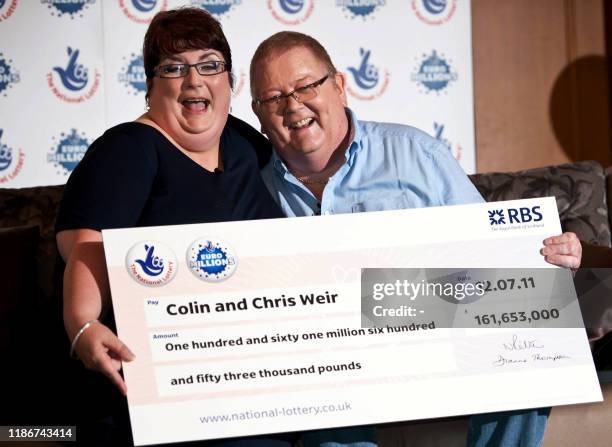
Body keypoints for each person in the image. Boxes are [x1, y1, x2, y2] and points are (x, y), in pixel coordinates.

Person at [249, 31, 582, 447]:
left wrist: (548, 258)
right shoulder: (249, 189)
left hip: (435, 332)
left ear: (338, 85)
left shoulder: (416, 155)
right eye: (273, 98)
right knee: (324, 392)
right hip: (333, 362)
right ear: (258, 114)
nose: (293, 105)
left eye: (305, 86)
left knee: (529, 352)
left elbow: (497, 255)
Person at [55, 8, 291, 446]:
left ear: (229, 81)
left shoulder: (244, 145)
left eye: (209, 65)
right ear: (150, 85)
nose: (194, 80)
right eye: (173, 68)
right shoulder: (126, 151)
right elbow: (86, 245)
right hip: (157, 396)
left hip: (248, 383)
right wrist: (83, 324)